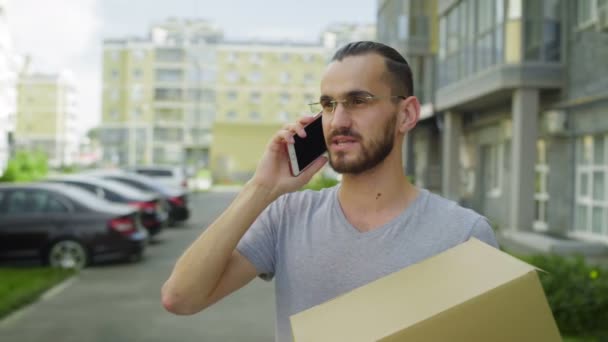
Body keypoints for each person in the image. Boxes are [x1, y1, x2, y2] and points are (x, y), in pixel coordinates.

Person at [161, 41, 499, 342]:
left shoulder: (463, 234)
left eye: (358, 100)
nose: (337, 121)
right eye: (327, 104)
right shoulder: (287, 215)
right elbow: (181, 298)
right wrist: (261, 188)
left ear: (406, 114)